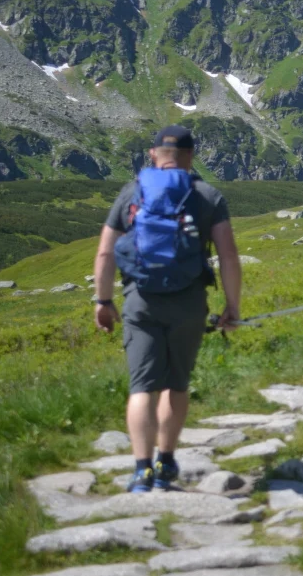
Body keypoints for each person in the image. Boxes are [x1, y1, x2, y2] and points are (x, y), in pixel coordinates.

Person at [93, 125, 242, 493]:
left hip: (140, 301)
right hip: (189, 303)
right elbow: (228, 256)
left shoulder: (132, 193)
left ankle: (141, 469)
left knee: (142, 387)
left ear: (152, 153)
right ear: (191, 155)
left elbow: (105, 252)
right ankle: (166, 459)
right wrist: (232, 305)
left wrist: (103, 300)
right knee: (176, 384)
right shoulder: (206, 195)